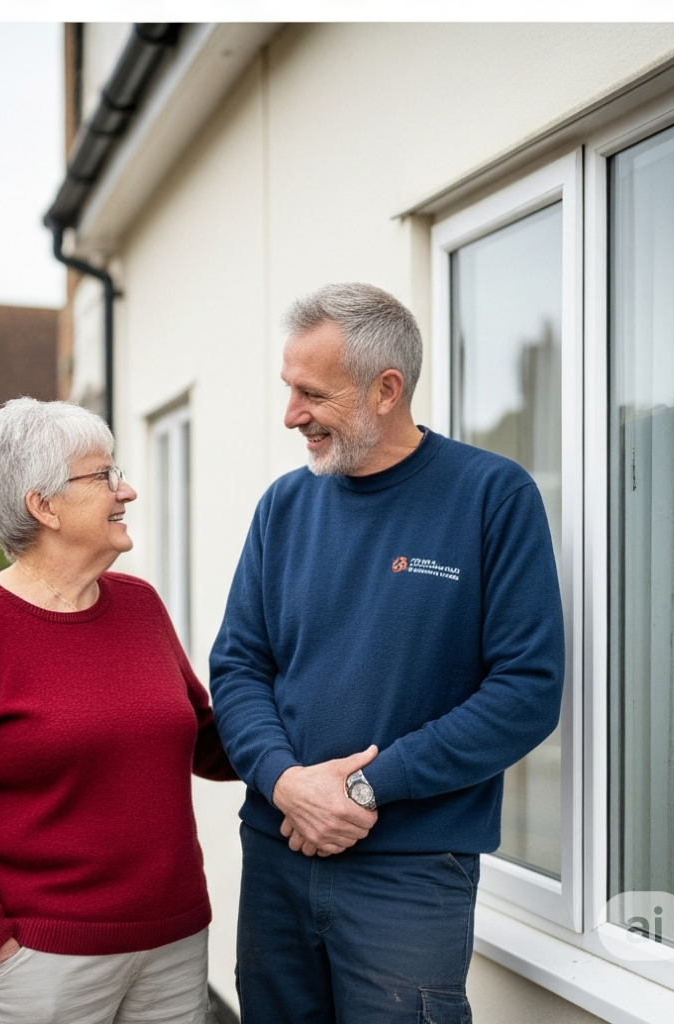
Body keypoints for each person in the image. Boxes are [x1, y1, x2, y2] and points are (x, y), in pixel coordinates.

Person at [209, 283, 565, 1023]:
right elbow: (239, 667)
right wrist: (285, 784)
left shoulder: (488, 496)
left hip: (410, 872)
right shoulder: (284, 505)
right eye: (288, 390)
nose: (291, 416)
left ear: (385, 390)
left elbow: (525, 690)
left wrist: (365, 788)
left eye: (311, 393)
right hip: (276, 849)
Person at [0, 397, 235, 1024]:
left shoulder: (139, 605)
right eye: (103, 475)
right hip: (37, 966)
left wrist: (315, 735)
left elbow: (207, 741)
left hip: (173, 951)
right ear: (43, 505)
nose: (125, 489)